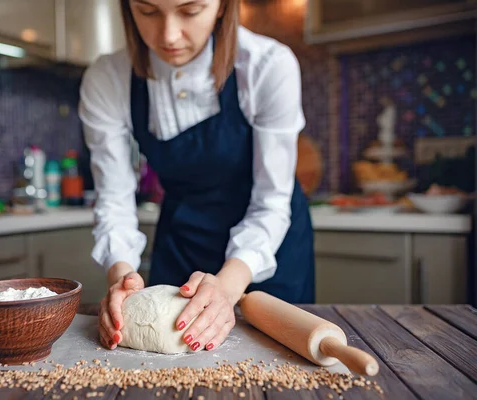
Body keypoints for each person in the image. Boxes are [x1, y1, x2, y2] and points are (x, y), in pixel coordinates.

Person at [78, 0, 315, 353]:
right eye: (148, 11)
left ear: (222, 6)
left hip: (266, 249)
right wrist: (122, 278)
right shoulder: (108, 78)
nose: (169, 35)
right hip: (183, 239)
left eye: (190, 11)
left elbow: (271, 201)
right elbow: (114, 200)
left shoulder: (268, 66)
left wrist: (228, 287)